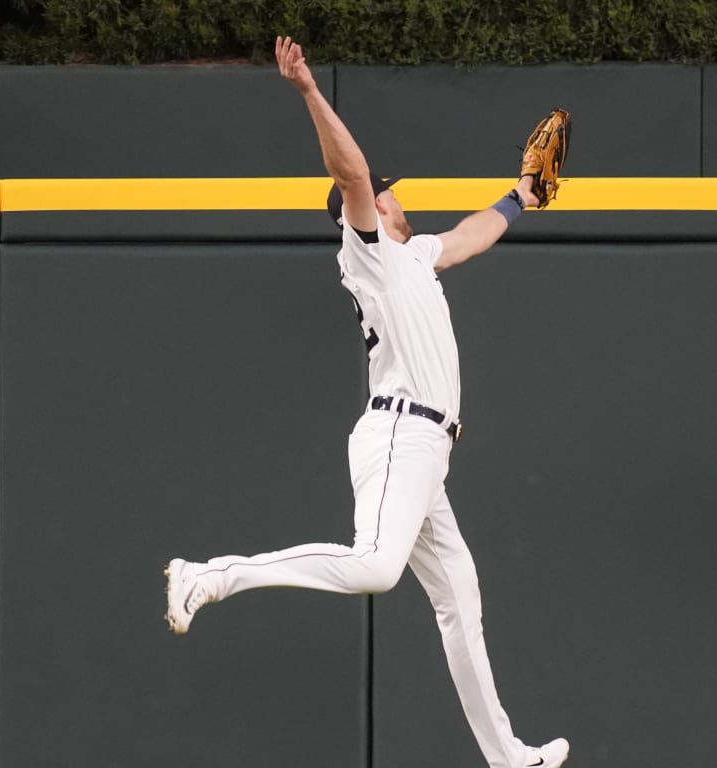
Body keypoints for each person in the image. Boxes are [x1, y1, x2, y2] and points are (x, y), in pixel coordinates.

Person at [163, 36, 570, 768]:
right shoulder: (369, 251)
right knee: (377, 567)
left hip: (427, 449)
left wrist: (521, 195)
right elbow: (348, 171)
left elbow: (473, 237)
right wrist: (310, 92)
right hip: (397, 436)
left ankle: (508, 756)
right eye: (390, 190)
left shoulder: (414, 255)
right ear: (370, 206)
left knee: (460, 601)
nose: (397, 195)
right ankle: (209, 576)